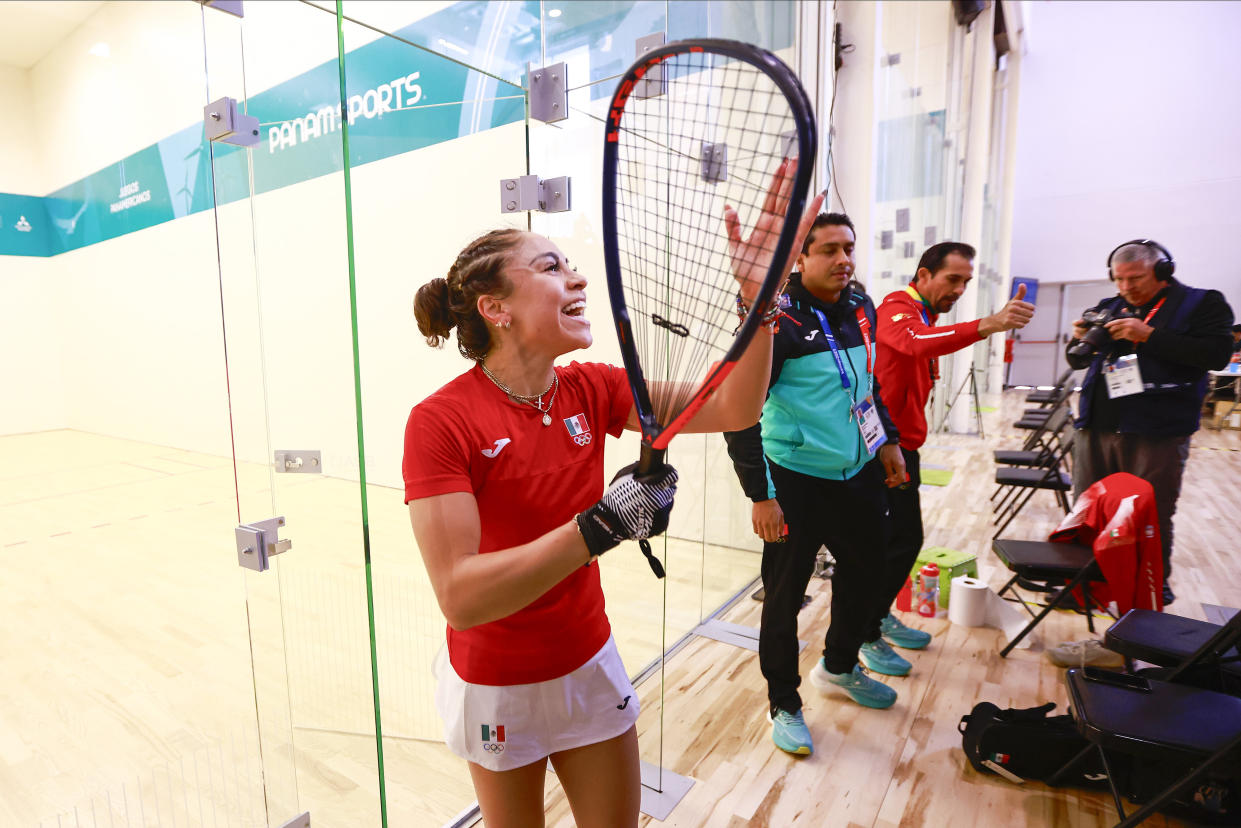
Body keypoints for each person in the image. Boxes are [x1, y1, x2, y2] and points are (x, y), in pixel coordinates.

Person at [404, 184, 823, 823]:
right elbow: (461, 596)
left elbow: (734, 405)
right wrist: (601, 525)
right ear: (495, 307)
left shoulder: (591, 388)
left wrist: (759, 301)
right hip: (494, 682)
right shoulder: (440, 422)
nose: (576, 279)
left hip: (588, 658)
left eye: (570, 266)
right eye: (550, 267)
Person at [724, 212, 908, 758]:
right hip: (795, 483)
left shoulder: (860, 307)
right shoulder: (776, 321)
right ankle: (783, 701)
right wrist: (761, 493)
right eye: (827, 249)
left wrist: (889, 440)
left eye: (847, 247)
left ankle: (840, 665)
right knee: (784, 597)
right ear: (799, 259)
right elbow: (739, 413)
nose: (843, 259)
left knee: (867, 574)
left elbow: (867, 383)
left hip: (858, 475)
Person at [873, 242, 1035, 648]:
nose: (960, 290)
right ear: (923, 275)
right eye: (952, 279)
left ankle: (873, 618)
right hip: (880, 450)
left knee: (899, 542)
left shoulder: (923, 315)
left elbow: (924, 343)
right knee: (886, 546)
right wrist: (990, 324)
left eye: (965, 281)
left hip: (902, 445)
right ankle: (863, 630)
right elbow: (916, 342)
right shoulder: (897, 307)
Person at [1067, 239, 1234, 605]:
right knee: (1088, 508)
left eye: (1136, 278)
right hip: (1097, 424)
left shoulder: (1202, 304)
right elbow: (1078, 361)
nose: (1127, 287)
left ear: (1163, 272)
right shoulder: (1110, 307)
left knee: (1149, 514)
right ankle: (1086, 583)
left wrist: (1150, 336)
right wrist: (1078, 339)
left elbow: (1217, 355)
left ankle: (1151, 588)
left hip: (1157, 429)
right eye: (1119, 279)